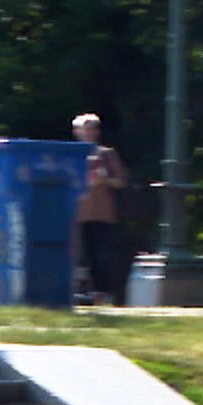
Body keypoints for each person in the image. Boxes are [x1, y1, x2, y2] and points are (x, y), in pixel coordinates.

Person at [71, 112, 130, 306]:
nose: (89, 132)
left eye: (92, 128)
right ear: (76, 131)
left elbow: (121, 182)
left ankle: (102, 295)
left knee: (101, 254)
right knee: (82, 254)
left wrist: (104, 179)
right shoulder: (69, 154)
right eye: (85, 128)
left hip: (102, 213)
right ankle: (83, 292)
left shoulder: (106, 154)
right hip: (77, 212)